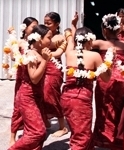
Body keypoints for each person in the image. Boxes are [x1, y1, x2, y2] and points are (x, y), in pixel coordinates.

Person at [60, 13, 112, 150]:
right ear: (90, 41)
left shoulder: (69, 53)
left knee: (78, 132)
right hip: (81, 101)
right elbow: (106, 78)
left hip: (66, 98)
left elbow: (70, 40)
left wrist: (73, 25)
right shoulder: (95, 56)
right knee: (81, 137)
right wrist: (109, 63)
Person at [90, 13, 124, 150]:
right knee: (120, 113)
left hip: (105, 82)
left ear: (104, 30)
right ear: (119, 30)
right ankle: (120, 141)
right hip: (122, 83)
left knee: (104, 112)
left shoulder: (100, 43)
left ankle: (105, 140)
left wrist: (74, 27)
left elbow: (82, 43)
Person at [8, 24, 52, 150]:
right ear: (39, 38)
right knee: (38, 132)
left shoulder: (39, 52)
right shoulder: (31, 54)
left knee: (32, 131)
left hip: (36, 96)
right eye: (48, 37)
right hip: (27, 97)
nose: (51, 41)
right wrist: (44, 61)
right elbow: (34, 78)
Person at [9, 17, 38, 146]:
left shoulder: (38, 43)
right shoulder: (20, 42)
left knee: (36, 106)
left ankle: (30, 132)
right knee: (18, 107)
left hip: (36, 79)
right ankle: (12, 136)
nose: (35, 29)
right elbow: (13, 57)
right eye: (33, 26)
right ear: (25, 28)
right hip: (22, 79)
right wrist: (14, 45)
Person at [43, 12, 68, 137]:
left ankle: (63, 127)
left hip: (53, 69)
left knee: (52, 95)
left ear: (57, 24)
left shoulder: (60, 37)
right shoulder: (41, 35)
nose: (46, 25)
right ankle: (45, 121)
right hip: (41, 67)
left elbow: (57, 53)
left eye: (49, 23)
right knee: (40, 95)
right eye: (45, 23)